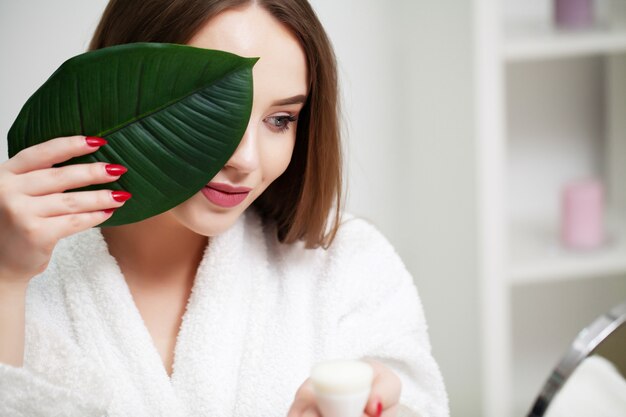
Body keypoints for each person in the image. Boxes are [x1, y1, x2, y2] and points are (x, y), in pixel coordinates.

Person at [0, 1, 449, 416]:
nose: (246, 160)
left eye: (280, 120)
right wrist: (5, 278)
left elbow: (412, 396)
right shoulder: (28, 268)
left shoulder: (348, 265)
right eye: (207, 113)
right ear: (119, 95)